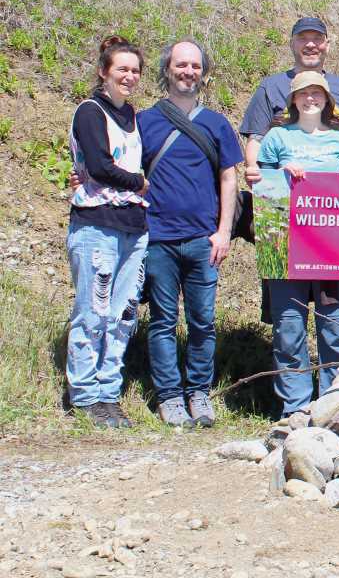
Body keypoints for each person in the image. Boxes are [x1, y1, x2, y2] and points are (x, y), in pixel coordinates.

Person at [140, 40, 244, 428]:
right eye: (181, 65)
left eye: (195, 66)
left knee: (203, 322)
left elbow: (229, 177)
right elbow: (127, 174)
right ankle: (169, 395)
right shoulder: (145, 121)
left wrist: (223, 233)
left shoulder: (216, 123)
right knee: (163, 321)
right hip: (158, 238)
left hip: (204, 240)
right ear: (167, 69)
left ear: (204, 72)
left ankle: (198, 392)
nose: (188, 72)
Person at [254, 72, 339, 417]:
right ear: (293, 99)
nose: (310, 99)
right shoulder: (276, 137)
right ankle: (295, 409)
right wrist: (280, 170)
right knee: (289, 328)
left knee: (336, 326)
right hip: (285, 247)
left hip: (332, 249)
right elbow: (260, 181)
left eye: (317, 93)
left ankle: (336, 406)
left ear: (327, 99)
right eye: (303, 93)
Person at [66, 36, 150, 428]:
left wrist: (136, 185)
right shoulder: (89, 111)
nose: (129, 77)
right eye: (122, 69)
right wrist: (139, 183)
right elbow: (99, 166)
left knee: (123, 313)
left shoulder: (132, 116)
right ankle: (84, 394)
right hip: (96, 224)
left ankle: (108, 391)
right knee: (92, 312)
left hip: (133, 228)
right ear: (103, 72)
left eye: (135, 70)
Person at [240, 17, 339, 182]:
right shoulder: (271, 87)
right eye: (302, 39)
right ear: (292, 44)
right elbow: (256, 139)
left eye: (317, 39)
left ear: (327, 45)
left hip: (334, 197)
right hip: (285, 191)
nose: (310, 45)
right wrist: (256, 173)